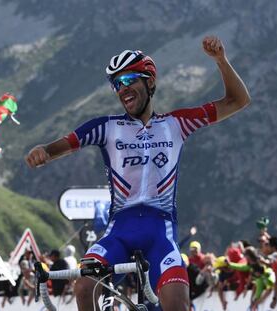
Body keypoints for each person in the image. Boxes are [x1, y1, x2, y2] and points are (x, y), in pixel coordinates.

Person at [26, 36, 250, 311]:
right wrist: (44, 151)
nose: (123, 88)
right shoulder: (107, 127)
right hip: (119, 232)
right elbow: (63, 145)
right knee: (84, 286)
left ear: (150, 82)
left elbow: (238, 100)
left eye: (129, 79)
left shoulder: (177, 123)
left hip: (161, 233)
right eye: (116, 84)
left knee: (176, 302)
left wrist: (220, 61)